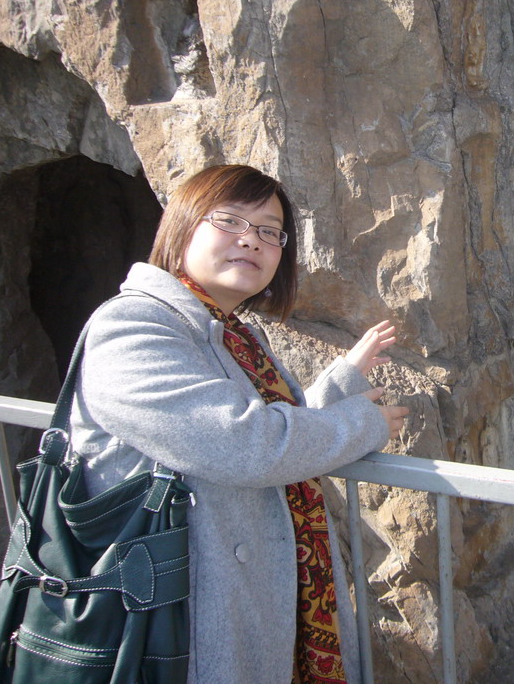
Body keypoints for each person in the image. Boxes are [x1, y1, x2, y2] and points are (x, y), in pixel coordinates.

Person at [69, 164, 409, 684]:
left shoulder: (239, 336)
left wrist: (345, 376)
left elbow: (275, 427)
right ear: (182, 227)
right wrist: (364, 423)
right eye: (230, 221)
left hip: (256, 592)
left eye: (270, 231)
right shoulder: (133, 324)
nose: (251, 240)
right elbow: (245, 445)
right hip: (175, 613)